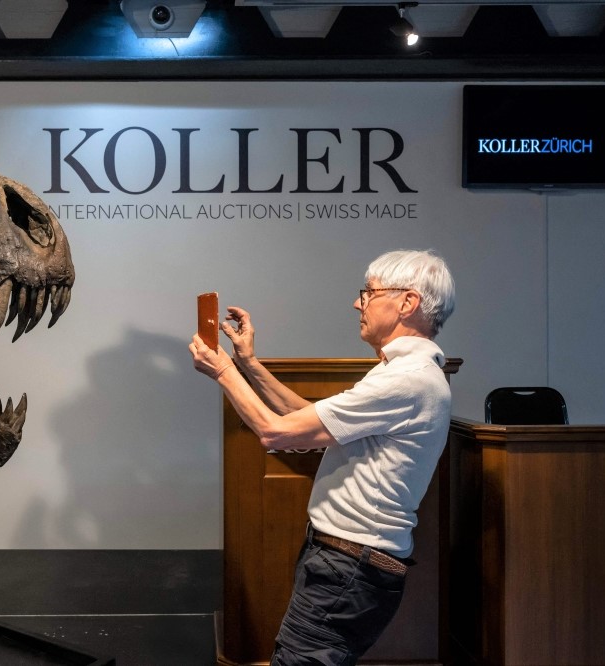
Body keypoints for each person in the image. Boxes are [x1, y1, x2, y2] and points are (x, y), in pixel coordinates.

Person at [189, 249, 455, 666]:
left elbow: (276, 433)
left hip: (348, 567)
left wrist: (224, 371)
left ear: (408, 302)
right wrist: (249, 364)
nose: (357, 303)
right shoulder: (402, 372)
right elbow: (309, 421)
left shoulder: (407, 379)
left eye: (368, 293)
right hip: (345, 562)